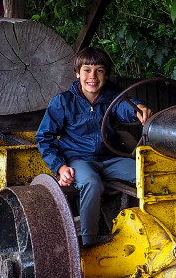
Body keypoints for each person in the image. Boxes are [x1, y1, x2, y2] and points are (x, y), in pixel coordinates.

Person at [36, 48, 152, 246]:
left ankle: (151, 233)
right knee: (91, 182)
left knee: (147, 173)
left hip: (110, 158)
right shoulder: (63, 101)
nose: (92, 76)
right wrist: (60, 167)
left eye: (99, 71)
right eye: (87, 70)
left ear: (105, 75)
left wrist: (138, 109)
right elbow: (44, 137)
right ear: (77, 73)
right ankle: (89, 244)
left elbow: (125, 106)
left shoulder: (111, 99)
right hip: (79, 160)